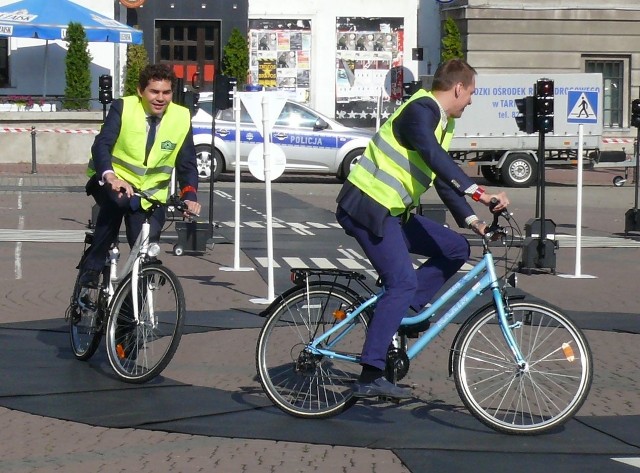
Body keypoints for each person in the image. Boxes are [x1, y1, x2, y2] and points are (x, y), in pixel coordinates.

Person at [335, 59, 509, 399]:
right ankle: (370, 375)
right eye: (471, 93)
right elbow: (431, 154)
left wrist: (472, 220)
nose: (471, 101)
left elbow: (442, 177)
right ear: (458, 88)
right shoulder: (420, 111)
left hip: (392, 211)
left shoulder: (443, 124)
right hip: (367, 207)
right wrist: (480, 193)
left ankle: (399, 312)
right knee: (402, 282)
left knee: (456, 249)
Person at [78, 64, 201, 290]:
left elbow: (187, 163)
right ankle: (92, 267)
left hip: (150, 195)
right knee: (118, 201)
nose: (160, 98)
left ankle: (130, 318)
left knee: (144, 255)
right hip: (114, 182)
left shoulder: (181, 117)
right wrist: (111, 176)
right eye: (154, 92)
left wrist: (190, 195)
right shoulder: (123, 107)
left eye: (166, 92)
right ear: (140, 91)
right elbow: (102, 144)